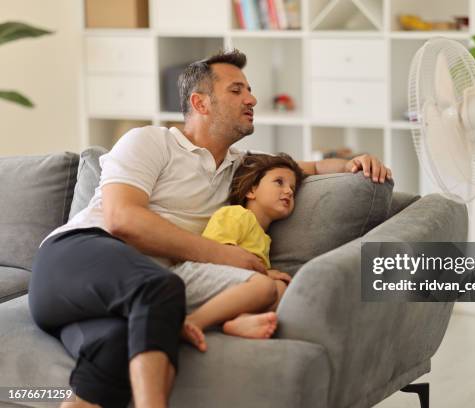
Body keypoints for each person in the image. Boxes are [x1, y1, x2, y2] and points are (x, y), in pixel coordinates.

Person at [28, 49, 392, 408]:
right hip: (74, 257)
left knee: (119, 348)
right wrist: (223, 255)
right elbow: (123, 219)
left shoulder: (241, 169)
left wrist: (353, 163)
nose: (251, 98)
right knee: (161, 287)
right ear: (200, 103)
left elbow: (305, 168)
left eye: (249, 90)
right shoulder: (151, 141)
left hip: (113, 301)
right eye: (236, 90)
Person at [173, 152, 304, 352]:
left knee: (279, 289)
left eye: (293, 189)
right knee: (266, 286)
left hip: (230, 285)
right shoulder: (236, 214)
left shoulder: (265, 239)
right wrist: (264, 273)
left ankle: (240, 320)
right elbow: (217, 252)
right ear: (251, 190)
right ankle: (191, 322)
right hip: (200, 274)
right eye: (279, 182)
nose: (288, 191)